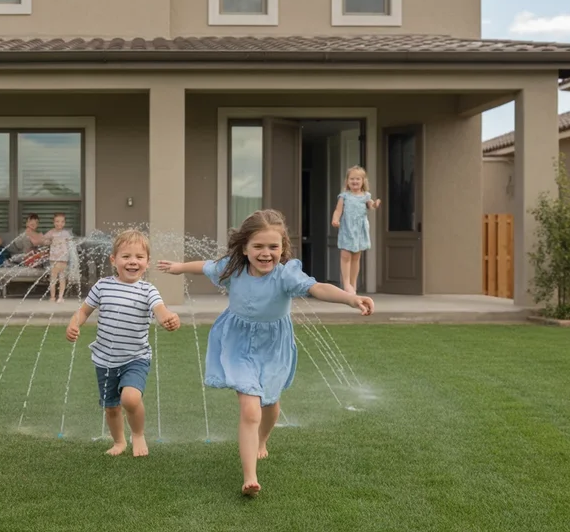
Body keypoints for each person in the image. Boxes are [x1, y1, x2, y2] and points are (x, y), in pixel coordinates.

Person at [157, 209, 374, 497]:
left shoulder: (286, 276)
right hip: (237, 343)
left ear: (283, 248)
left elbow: (317, 287)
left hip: (273, 346)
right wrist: (180, 267)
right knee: (250, 408)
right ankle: (250, 477)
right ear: (245, 248)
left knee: (270, 405)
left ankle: (262, 441)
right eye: (258, 246)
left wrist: (350, 298)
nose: (266, 253)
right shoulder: (232, 269)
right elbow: (205, 265)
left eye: (273, 247)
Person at [66, 229, 181, 457]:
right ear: (113, 260)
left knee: (130, 398)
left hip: (135, 358)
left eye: (139, 257)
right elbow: (83, 311)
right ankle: (119, 441)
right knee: (111, 406)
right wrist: (74, 324)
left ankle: (137, 434)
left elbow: (160, 309)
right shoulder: (103, 286)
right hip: (105, 359)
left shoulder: (147, 290)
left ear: (147, 262)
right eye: (126, 256)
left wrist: (169, 318)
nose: (132, 262)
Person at [331, 166, 381, 294]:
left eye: (358, 179)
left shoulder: (365, 196)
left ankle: (353, 283)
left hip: (359, 230)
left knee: (356, 257)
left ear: (363, 181)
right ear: (347, 181)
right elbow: (338, 210)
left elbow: (371, 206)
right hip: (347, 228)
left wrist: (375, 204)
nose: (355, 181)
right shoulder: (344, 196)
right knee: (346, 255)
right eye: (352, 179)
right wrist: (335, 219)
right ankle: (346, 283)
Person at [43, 212, 74, 303]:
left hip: (64, 258)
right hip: (53, 258)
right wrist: (47, 242)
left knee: (62, 277)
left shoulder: (66, 233)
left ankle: (60, 296)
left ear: (64, 223)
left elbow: (71, 244)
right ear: (54, 222)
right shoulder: (51, 232)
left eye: (61, 222)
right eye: (57, 221)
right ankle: (52, 296)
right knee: (53, 278)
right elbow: (44, 239)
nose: (59, 223)